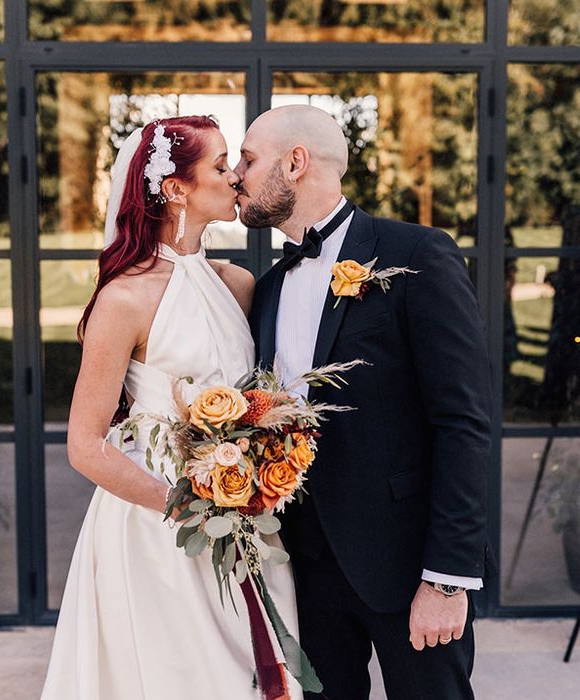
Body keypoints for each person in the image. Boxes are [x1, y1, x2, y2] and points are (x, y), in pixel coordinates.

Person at [41, 116, 302, 700]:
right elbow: (84, 446)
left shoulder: (238, 283)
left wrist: (255, 478)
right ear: (176, 188)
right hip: (160, 526)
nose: (237, 177)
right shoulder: (124, 299)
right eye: (220, 165)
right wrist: (191, 508)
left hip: (249, 513)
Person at [237, 105, 494, 699]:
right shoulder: (269, 288)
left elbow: (463, 422)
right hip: (304, 568)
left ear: (295, 162)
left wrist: (448, 579)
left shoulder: (417, 254)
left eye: (248, 161)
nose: (236, 176)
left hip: (408, 566)